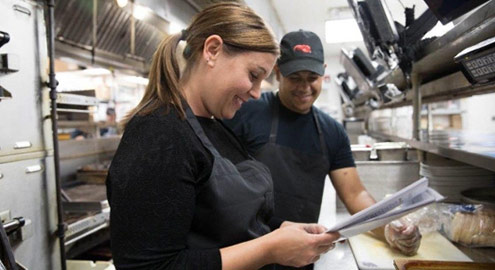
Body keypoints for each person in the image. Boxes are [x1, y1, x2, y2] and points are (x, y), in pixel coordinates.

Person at [106, 4, 339, 270]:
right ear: (212, 51)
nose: (255, 93)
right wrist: (270, 248)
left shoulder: (214, 127)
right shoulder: (158, 135)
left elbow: (219, 221)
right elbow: (149, 267)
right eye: (253, 75)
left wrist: (280, 229)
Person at [224, 30, 422, 266]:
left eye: (312, 77)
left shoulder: (332, 132)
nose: (304, 87)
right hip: (246, 253)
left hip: (299, 257)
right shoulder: (246, 112)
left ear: (323, 72)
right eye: (295, 77)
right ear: (277, 72)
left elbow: (355, 194)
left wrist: (389, 227)